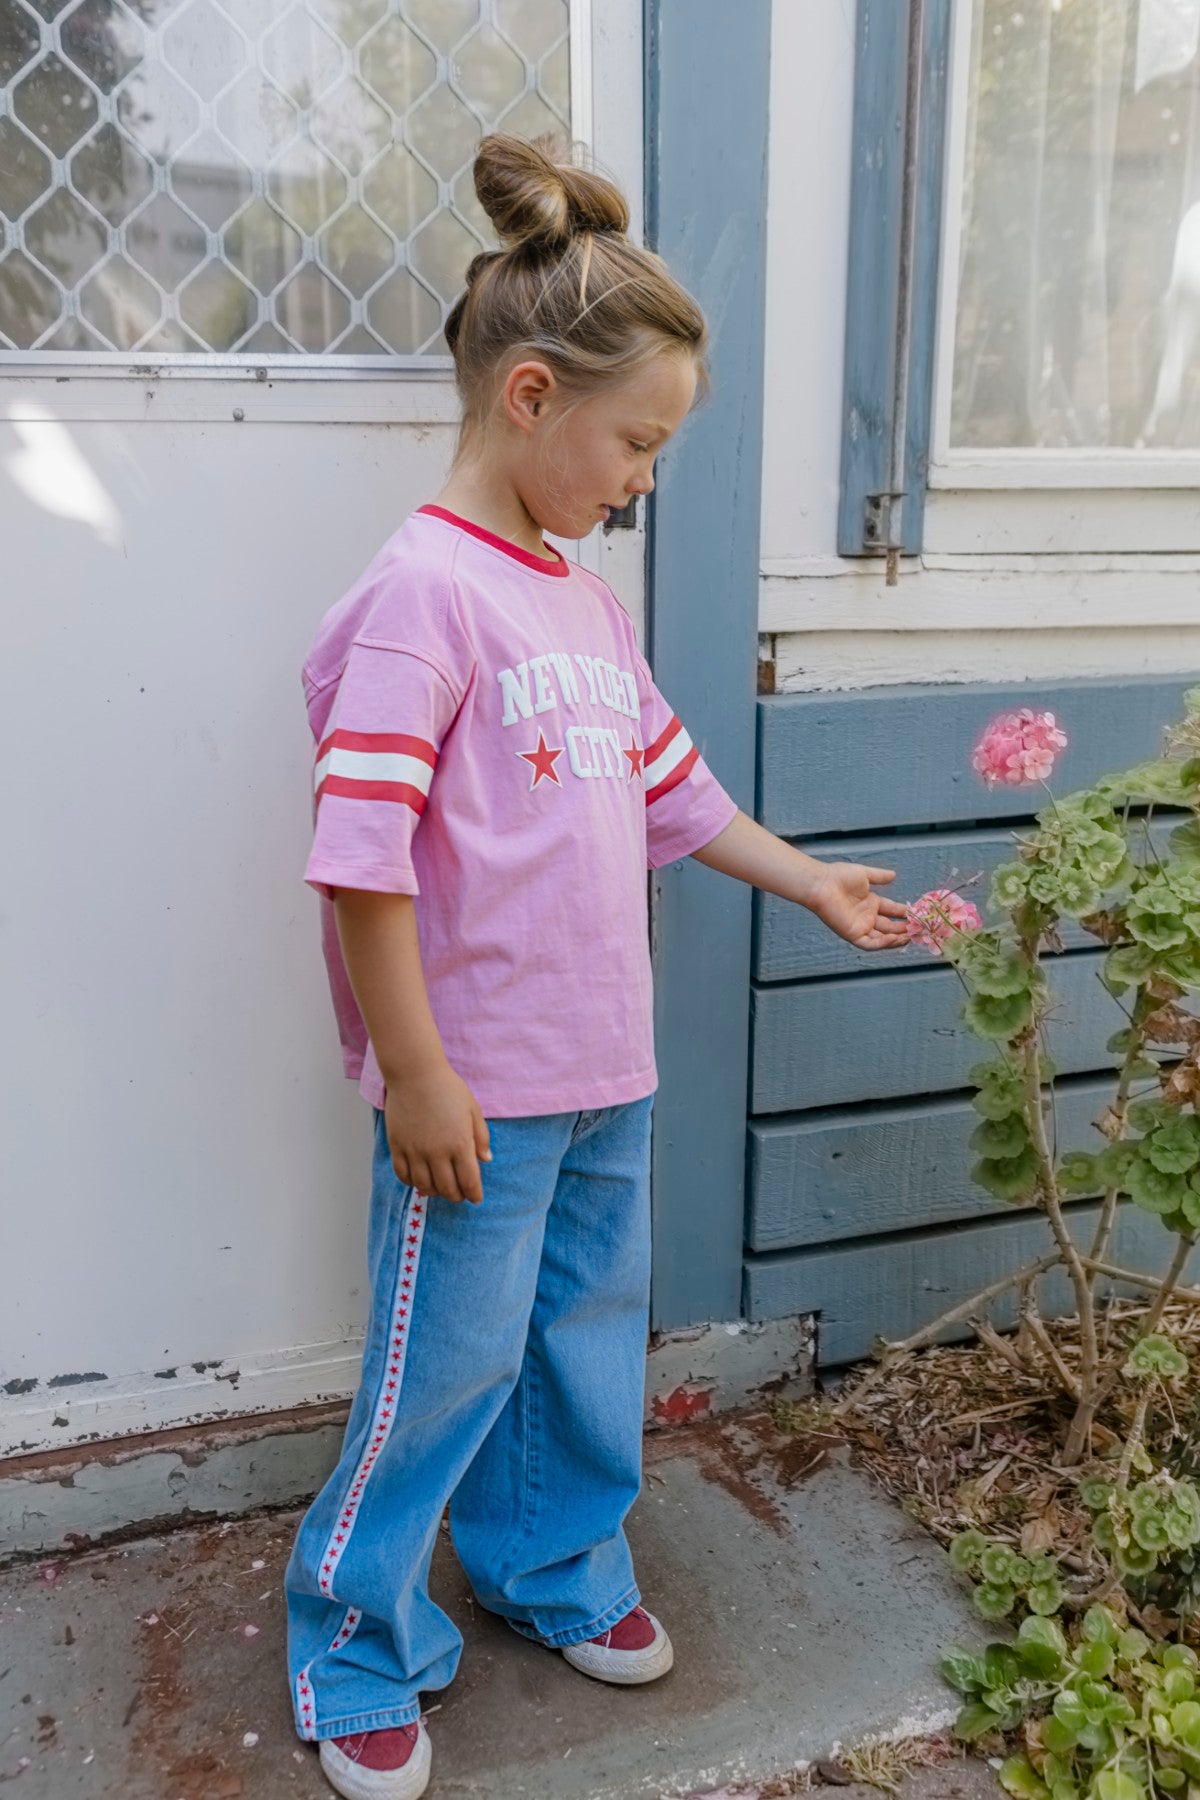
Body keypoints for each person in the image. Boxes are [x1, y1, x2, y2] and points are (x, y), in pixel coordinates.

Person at [285, 132, 908, 1800]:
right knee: (445, 1369)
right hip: (474, 1091)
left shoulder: (576, 603)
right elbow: (359, 862)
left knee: (574, 1345)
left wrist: (808, 884)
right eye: (638, 443)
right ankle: (355, 1638)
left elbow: (666, 789)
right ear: (534, 396)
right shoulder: (423, 601)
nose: (643, 479)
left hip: (599, 1071)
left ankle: (547, 1567)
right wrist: (416, 1069)